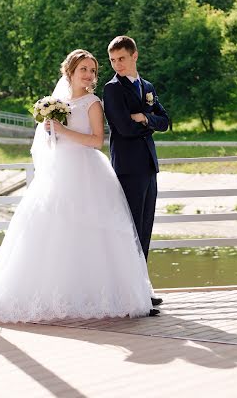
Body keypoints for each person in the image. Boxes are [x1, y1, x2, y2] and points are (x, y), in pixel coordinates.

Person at [0, 49, 155, 323]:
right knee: (51, 230)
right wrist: (51, 133)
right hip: (59, 171)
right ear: (69, 71)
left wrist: (61, 131)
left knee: (94, 233)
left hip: (88, 170)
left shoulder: (93, 102)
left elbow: (96, 140)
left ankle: (97, 295)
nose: (89, 75)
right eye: (84, 69)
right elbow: (50, 143)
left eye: (93, 70)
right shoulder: (55, 103)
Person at [103, 36, 169, 309]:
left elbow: (165, 122)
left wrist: (144, 118)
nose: (117, 64)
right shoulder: (112, 89)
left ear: (134, 56)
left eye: (121, 58)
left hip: (149, 167)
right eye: (112, 60)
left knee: (145, 229)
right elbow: (124, 129)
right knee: (129, 230)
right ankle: (128, 293)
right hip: (128, 168)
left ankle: (142, 288)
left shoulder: (148, 87)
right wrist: (146, 121)